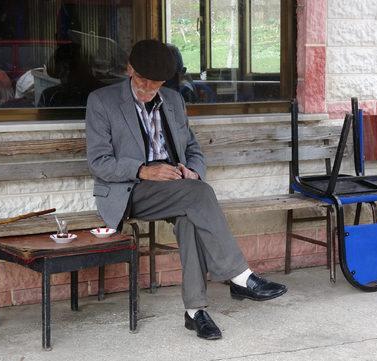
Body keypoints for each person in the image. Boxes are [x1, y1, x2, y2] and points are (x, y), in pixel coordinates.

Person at [85, 39, 287, 340]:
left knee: (190, 215)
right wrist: (143, 170)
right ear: (129, 68)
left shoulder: (174, 100)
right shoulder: (102, 101)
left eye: (155, 84)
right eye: (142, 81)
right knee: (200, 194)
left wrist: (193, 171)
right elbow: (99, 162)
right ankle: (240, 277)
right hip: (131, 190)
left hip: (177, 189)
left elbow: (193, 149)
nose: (147, 89)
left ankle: (196, 312)